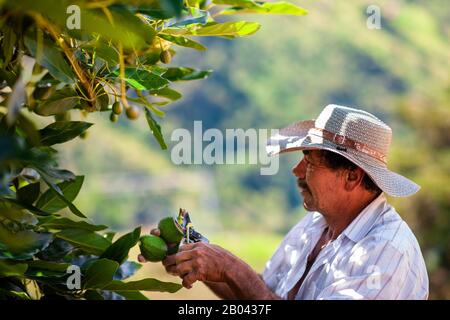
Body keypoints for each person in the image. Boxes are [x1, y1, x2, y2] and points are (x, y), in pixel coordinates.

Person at [138, 104, 429, 300]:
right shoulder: (315, 226)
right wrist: (196, 255)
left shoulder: (385, 254)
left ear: (352, 177)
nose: (297, 171)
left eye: (310, 163)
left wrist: (229, 267)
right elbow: (262, 293)